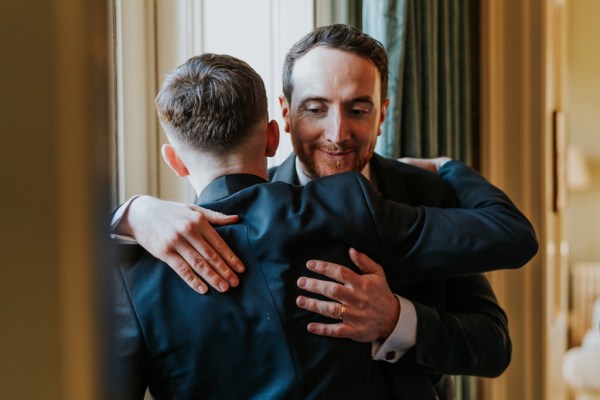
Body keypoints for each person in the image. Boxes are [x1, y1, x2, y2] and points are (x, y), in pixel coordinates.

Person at [113, 25, 538, 398]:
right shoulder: (184, 230)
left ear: (382, 115)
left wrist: (397, 319)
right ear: (282, 118)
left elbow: (494, 345)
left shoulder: (427, 193)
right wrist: (128, 213)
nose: (337, 134)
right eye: (315, 109)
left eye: (358, 109)